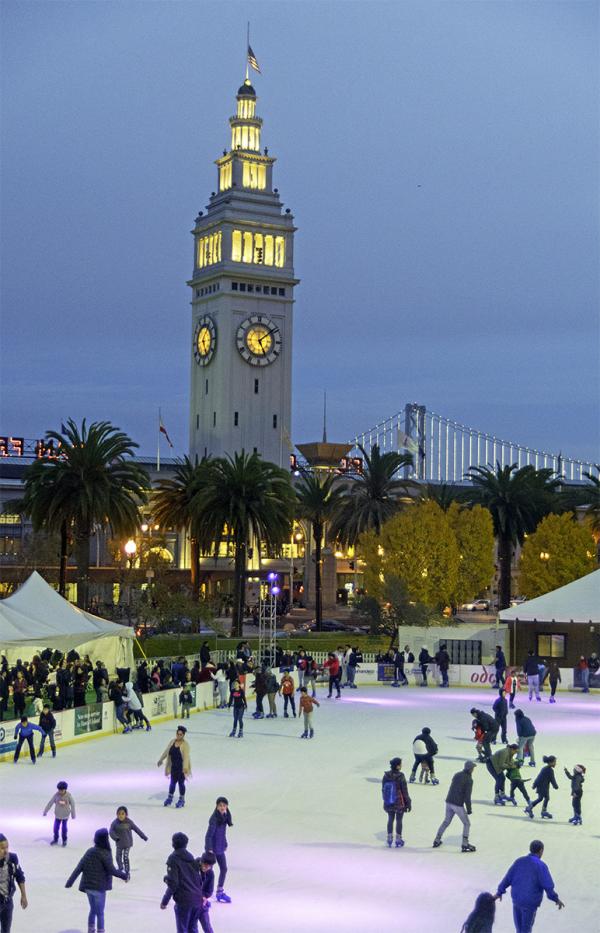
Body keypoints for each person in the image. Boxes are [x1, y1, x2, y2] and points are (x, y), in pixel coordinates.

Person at [65, 828, 128, 933]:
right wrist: (124, 876)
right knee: (100, 913)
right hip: (99, 888)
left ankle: (90, 929)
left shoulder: (89, 851)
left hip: (88, 888)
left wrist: (70, 882)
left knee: (93, 910)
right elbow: (111, 870)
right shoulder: (105, 853)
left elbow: (79, 867)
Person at [496, 839, 564, 932]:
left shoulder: (519, 861)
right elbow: (548, 886)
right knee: (526, 930)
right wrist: (556, 899)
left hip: (517, 900)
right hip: (530, 903)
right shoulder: (541, 866)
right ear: (541, 851)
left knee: (519, 929)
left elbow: (508, 878)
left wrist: (499, 892)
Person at [160, 832, 213, 933]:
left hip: (184, 901)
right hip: (197, 900)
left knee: (183, 929)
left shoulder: (173, 859)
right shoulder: (191, 859)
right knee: (192, 929)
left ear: (173, 844)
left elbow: (174, 883)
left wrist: (164, 901)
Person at [432, 761, 476, 852]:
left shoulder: (457, 775)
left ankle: (437, 840)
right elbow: (467, 796)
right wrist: (469, 809)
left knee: (446, 822)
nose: (473, 770)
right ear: (470, 769)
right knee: (467, 823)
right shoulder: (469, 780)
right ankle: (465, 844)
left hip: (449, 801)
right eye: (473, 768)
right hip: (458, 804)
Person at [204, 796, 233, 904]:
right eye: (220, 805)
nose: (222, 807)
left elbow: (222, 832)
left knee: (224, 868)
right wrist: (209, 849)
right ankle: (204, 893)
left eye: (224, 805)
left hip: (220, 847)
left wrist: (225, 842)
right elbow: (208, 835)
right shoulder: (214, 819)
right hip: (212, 848)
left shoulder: (225, 816)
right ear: (216, 806)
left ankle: (219, 891)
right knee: (207, 871)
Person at [157, 725, 192, 808]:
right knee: (172, 783)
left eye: (180, 734)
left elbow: (186, 757)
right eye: (178, 734)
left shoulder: (185, 745)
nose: (178, 736)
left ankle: (182, 799)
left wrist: (185, 768)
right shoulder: (172, 742)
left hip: (181, 768)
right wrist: (161, 759)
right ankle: (170, 797)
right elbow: (167, 751)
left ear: (183, 735)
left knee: (181, 784)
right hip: (173, 767)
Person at [109, 806, 148, 879]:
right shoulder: (115, 823)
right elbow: (111, 831)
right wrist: (115, 838)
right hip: (119, 844)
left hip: (127, 844)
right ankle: (120, 868)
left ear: (126, 814)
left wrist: (143, 836)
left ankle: (127, 871)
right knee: (118, 857)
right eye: (119, 814)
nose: (120, 816)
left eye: (122, 814)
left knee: (125, 857)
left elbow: (137, 829)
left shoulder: (129, 822)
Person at [381, 757, 411, 847]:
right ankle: (398, 839)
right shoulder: (400, 776)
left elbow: (383, 789)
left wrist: (385, 800)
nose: (401, 766)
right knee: (399, 820)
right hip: (399, 802)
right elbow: (404, 791)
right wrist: (408, 802)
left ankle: (389, 838)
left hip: (389, 801)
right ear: (397, 766)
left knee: (390, 819)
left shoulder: (386, 776)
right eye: (400, 764)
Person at [0, 833, 28, 931]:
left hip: (7, 902)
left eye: (7, 847)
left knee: (6, 930)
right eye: (2, 848)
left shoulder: (12, 859)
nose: (6, 850)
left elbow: (19, 876)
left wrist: (23, 895)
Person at [43, 780, 76, 847]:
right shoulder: (56, 795)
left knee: (64, 829)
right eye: (59, 790)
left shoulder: (69, 796)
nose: (60, 791)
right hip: (57, 815)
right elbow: (50, 803)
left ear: (65, 789)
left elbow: (73, 805)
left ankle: (64, 840)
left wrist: (73, 814)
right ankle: (55, 839)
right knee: (55, 828)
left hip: (65, 815)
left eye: (61, 790)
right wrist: (45, 811)